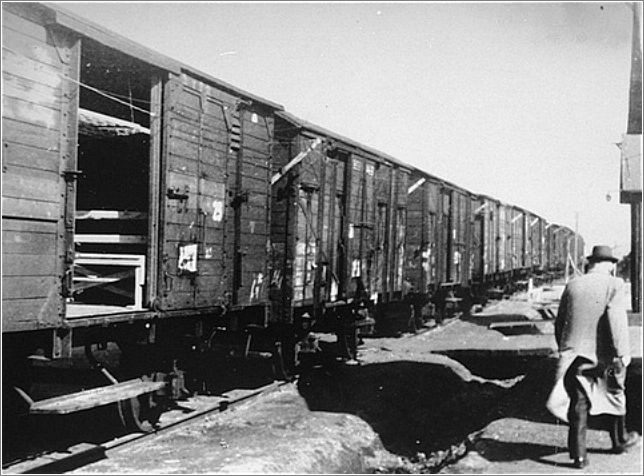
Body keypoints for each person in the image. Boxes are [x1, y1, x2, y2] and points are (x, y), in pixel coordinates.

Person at [547, 245, 640, 469]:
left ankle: (578, 456)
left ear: (592, 263)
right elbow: (615, 319)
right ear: (607, 264)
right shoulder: (614, 284)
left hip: (575, 357)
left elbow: (560, 322)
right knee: (614, 393)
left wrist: (565, 349)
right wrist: (622, 353)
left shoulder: (573, 284)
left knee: (578, 405)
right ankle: (620, 441)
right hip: (604, 358)